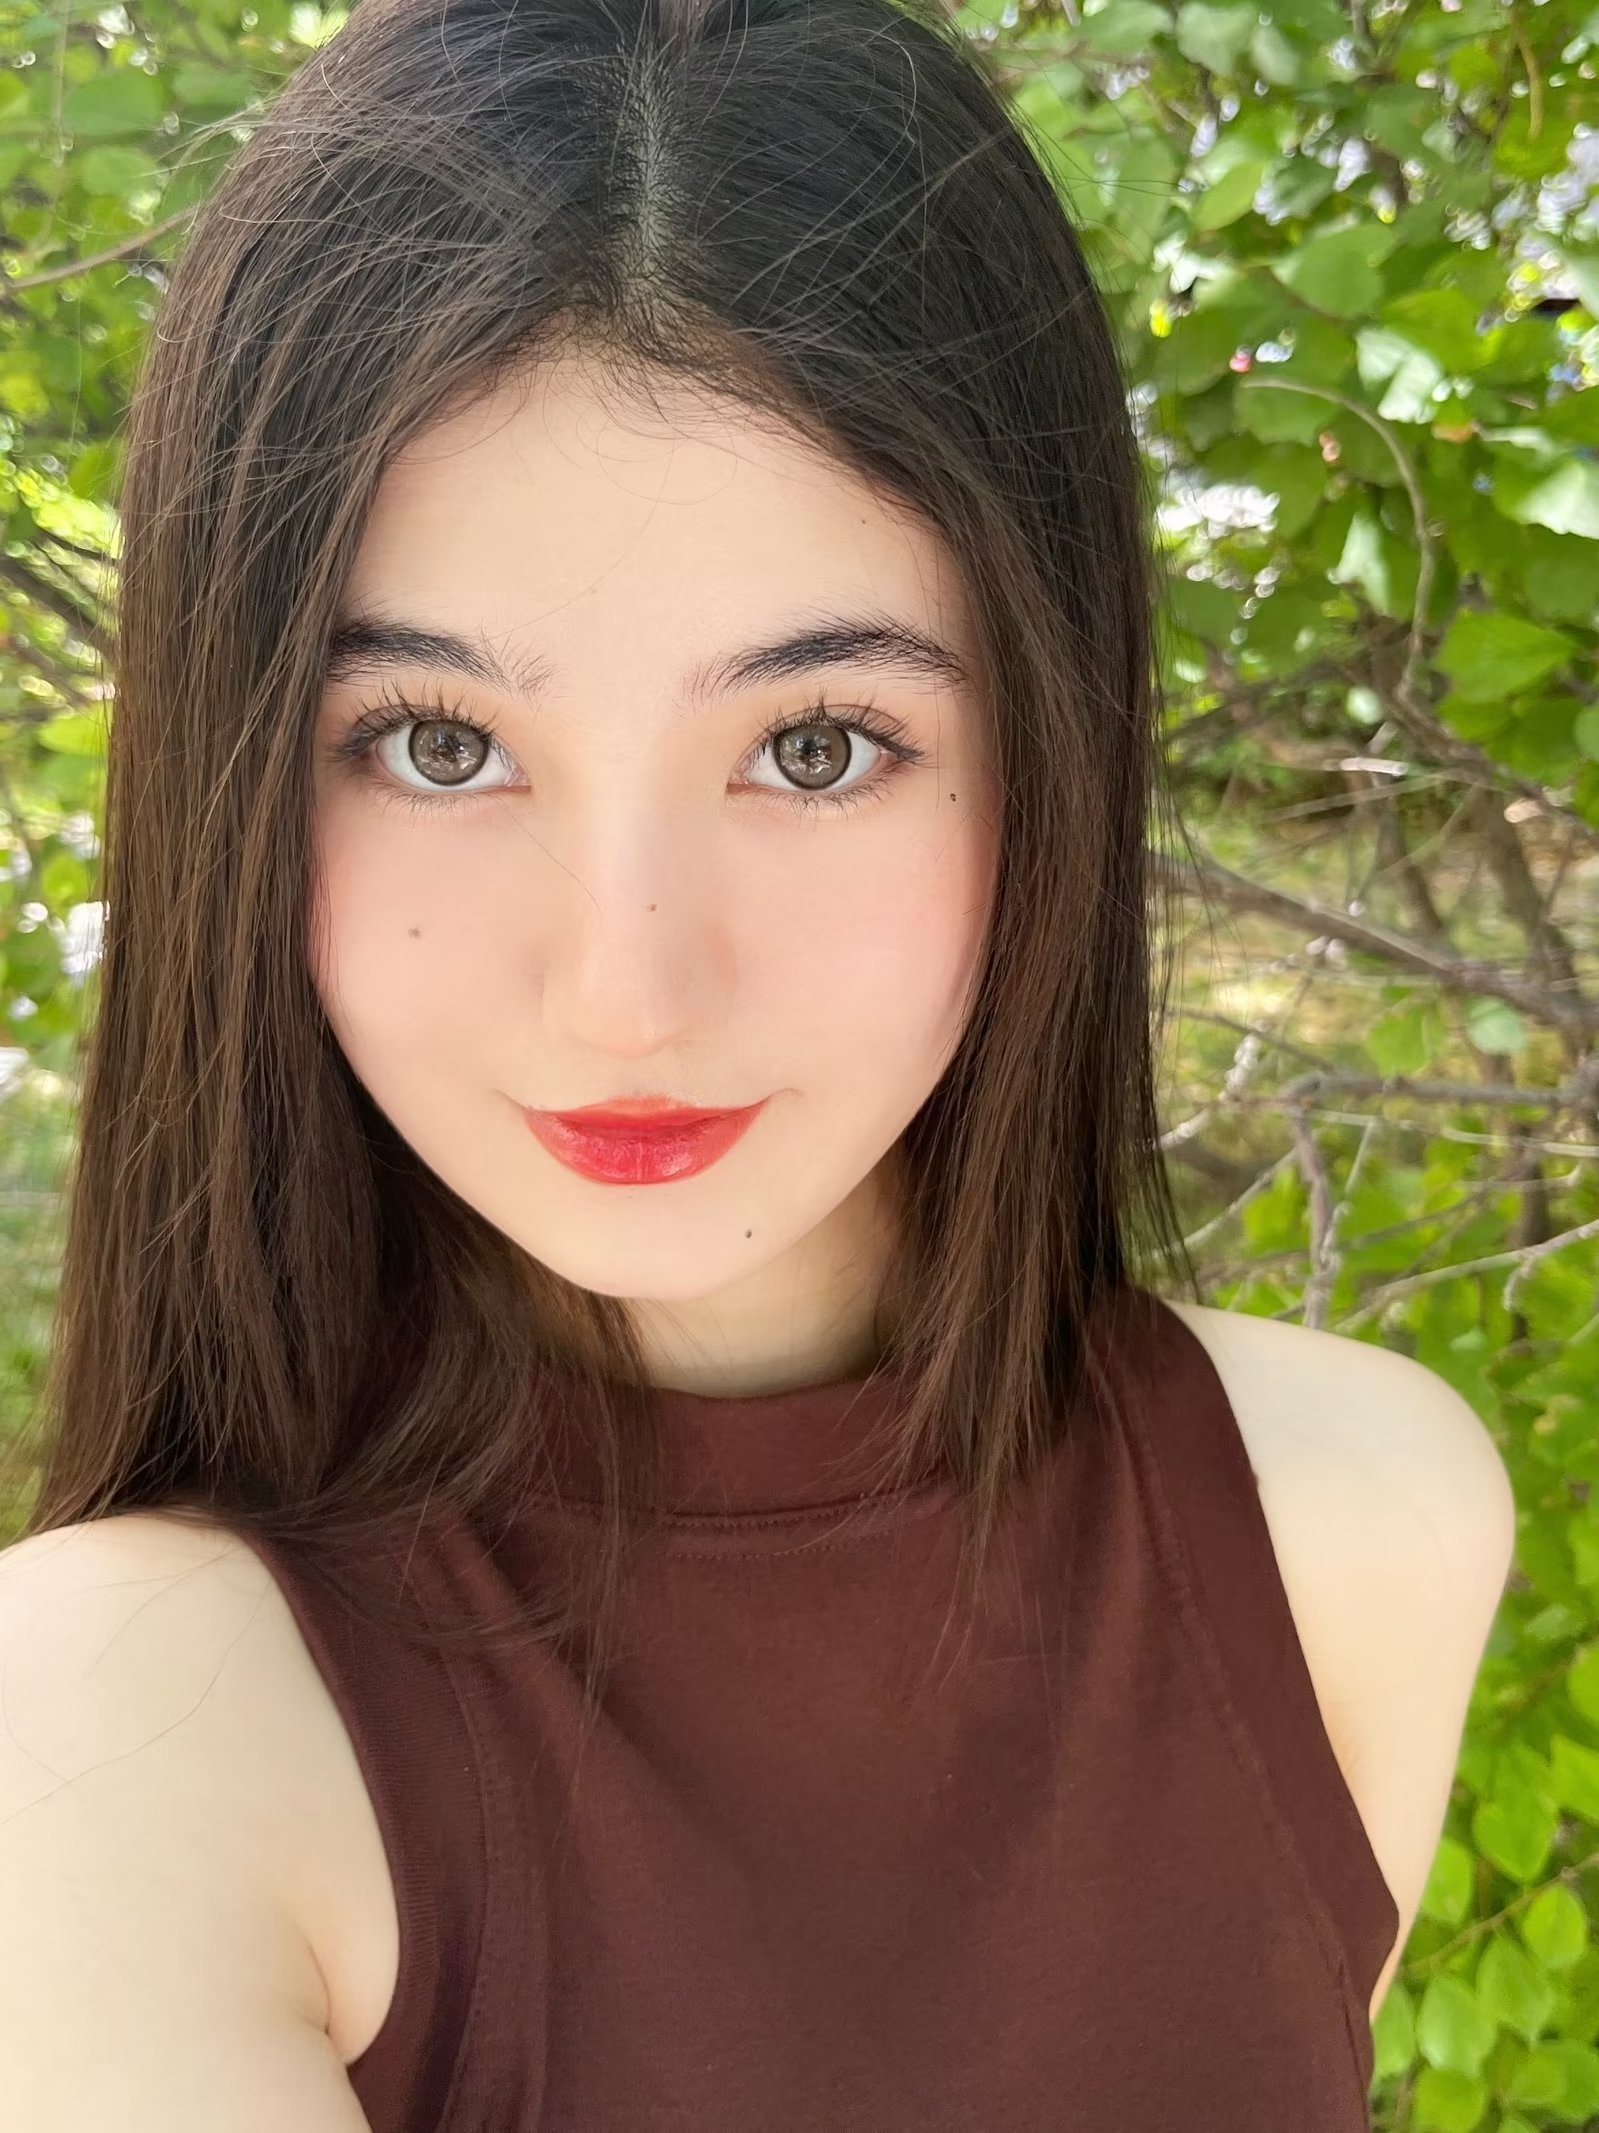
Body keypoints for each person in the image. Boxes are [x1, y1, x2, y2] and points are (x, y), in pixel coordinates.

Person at [0, 0, 1517, 2124]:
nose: (626, 990)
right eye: (435, 744)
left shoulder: (1346, 1521)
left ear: (1046, 753)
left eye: (813, 746)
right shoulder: (115, 1738)